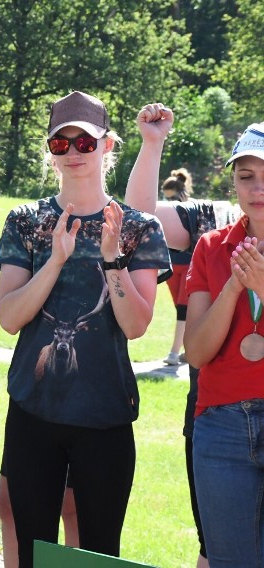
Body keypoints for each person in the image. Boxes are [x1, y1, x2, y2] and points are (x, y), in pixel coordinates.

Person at [0, 91, 170, 566]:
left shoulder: (138, 228)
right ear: (50, 150)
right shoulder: (26, 221)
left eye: (85, 143)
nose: (72, 154)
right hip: (35, 411)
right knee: (30, 548)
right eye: (61, 144)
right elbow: (9, 318)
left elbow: (136, 326)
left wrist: (111, 257)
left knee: (96, 554)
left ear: (108, 145)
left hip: (105, 415)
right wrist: (54, 261)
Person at [125, 103, 240, 568]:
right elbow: (139, 216)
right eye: (249, 174)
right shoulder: (215, 220)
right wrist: (153, 145)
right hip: (215, 420)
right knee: (213, 551)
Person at [182, 123, 264, 567]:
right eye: (246, 175)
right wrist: (234, 287)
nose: (258, 187)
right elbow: (196, 353)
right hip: (221, 426)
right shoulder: (212, 247)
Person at [161, 168, 194, 365]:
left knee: (184, 310)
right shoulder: (166, 213)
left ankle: (174, 353)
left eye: (172, 199)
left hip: (190, 265)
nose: (168, 203)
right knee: (181, 311)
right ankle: (187, 350)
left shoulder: (193, 211)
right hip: (173, 266)